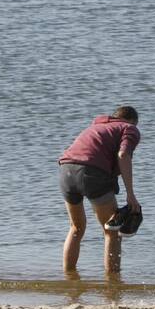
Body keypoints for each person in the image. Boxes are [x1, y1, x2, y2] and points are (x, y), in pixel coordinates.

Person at [58, 106, 141, 280]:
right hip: (92, 173)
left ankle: (68, 279)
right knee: (112, 230)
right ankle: (113, 283)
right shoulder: (129, 128)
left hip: (65, 169)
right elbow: (123, 154)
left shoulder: (96, 126)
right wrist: (130, 194)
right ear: (133, 121)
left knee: (76, 228)